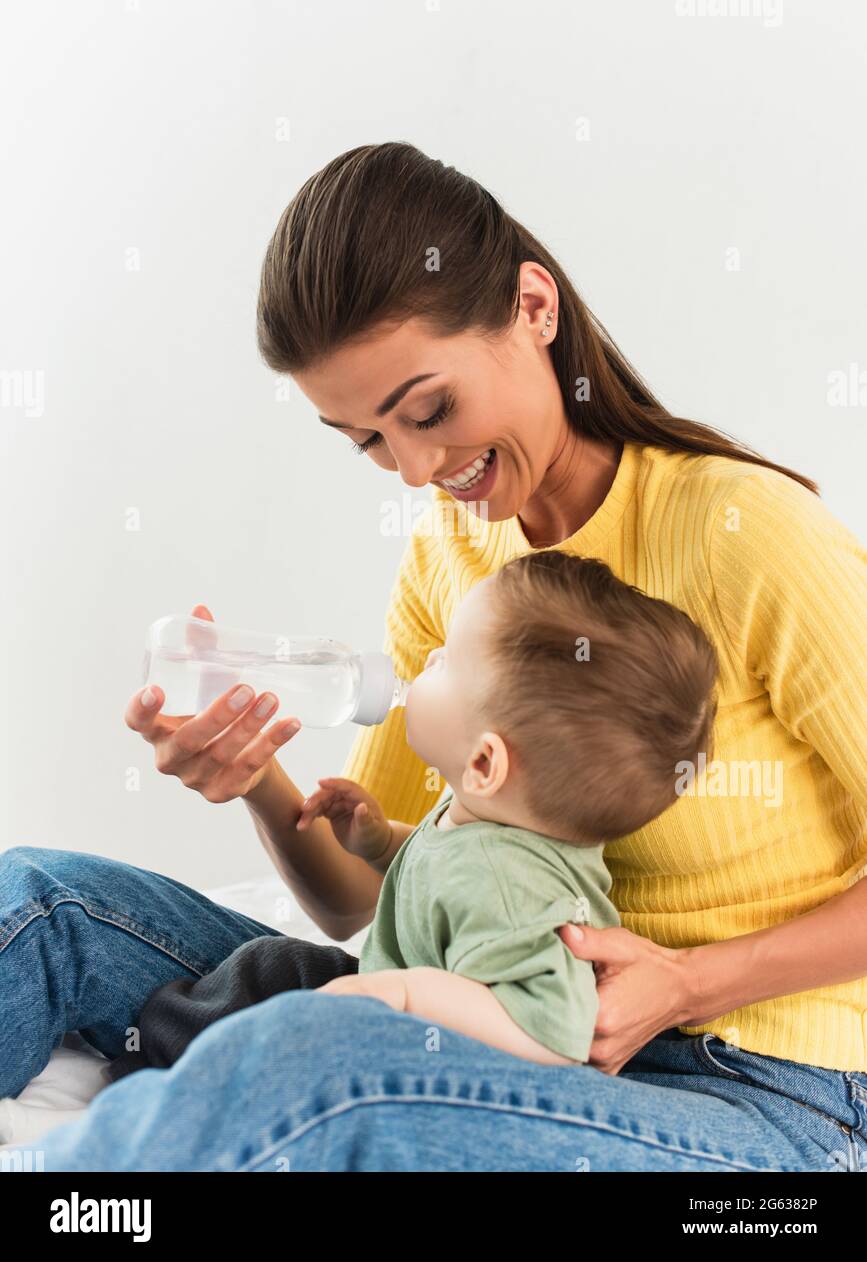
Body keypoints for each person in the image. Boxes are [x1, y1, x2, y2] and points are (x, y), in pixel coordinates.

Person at [3, 142, 866, 1171]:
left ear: (532, 310)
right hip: (481, 1011)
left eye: (427, 411)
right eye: (367, 439)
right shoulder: (455, 552)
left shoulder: (747, 534)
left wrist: (685, 983)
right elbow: (376, 905)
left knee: (313, 1063)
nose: (415, 468)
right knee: (44, 903)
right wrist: (257, 780)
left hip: (762, 1088)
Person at [100, 553, 718, 1079]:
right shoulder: (490, 815)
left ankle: (164, 1076)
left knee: (284, 1010)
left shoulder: (512, 886)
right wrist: (379, 841)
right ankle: (156, 1054)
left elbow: (557, 1029)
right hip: (402, 1017)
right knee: (273, 966)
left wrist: (402, 995)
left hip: (447, 1069)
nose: (423, 664)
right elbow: (441, 874)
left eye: (445, 662)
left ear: (484, 761)